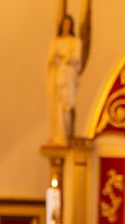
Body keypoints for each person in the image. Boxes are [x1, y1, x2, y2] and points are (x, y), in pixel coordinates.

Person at [47, 14, 81, 144]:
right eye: (64, 24)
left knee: (68, 105)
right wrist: (59, 58)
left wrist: (64, 58)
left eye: (69, 24)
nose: (66, 27)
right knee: (59, 105)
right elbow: (50, 59)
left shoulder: (75, 42)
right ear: (61, 26)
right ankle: (59, 135)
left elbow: (77, 59)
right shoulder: (56, 42)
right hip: (59, 76)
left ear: (71, 26)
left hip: (70, 77)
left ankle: (68, 133)